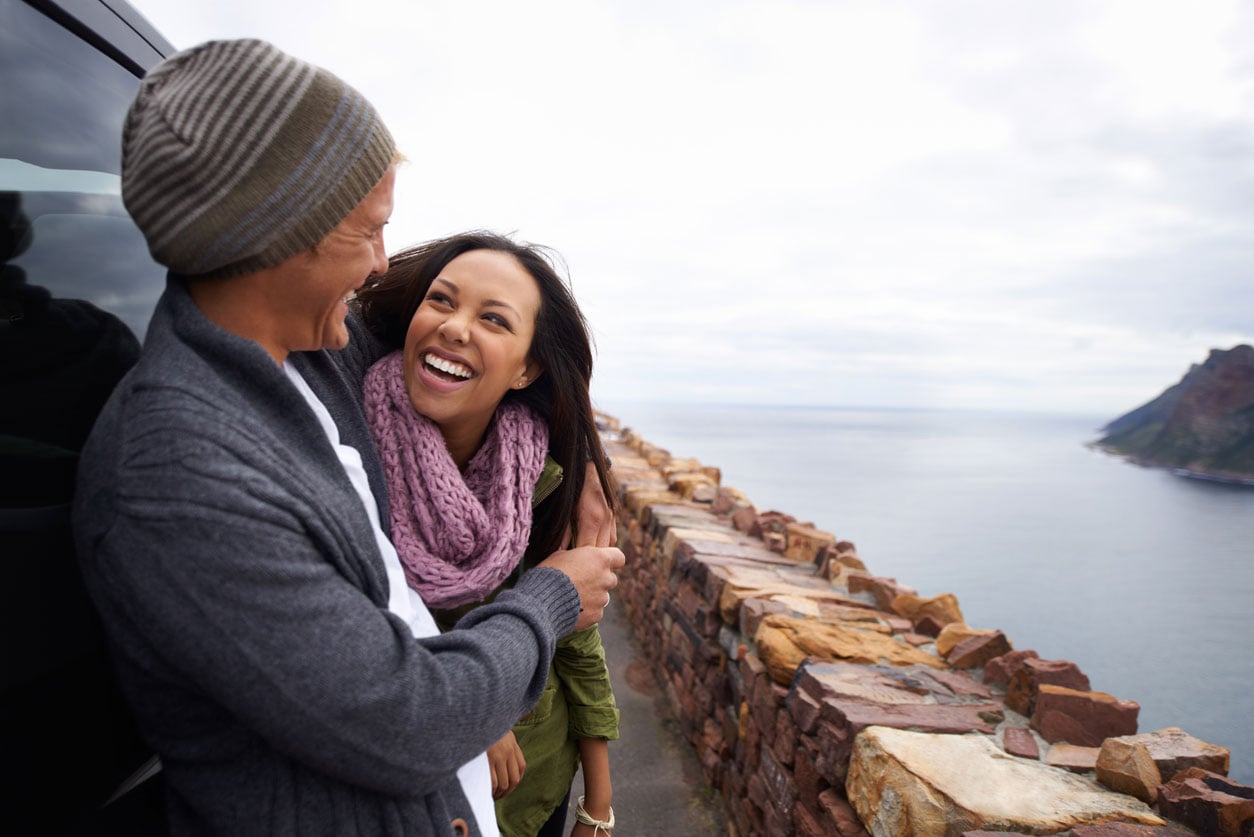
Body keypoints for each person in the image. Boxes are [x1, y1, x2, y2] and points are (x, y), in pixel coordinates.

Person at [71, 38, 623, 837]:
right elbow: (410, 723)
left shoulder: (321, 356)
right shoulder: (178, 475)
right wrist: (553, 598)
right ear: (282, 230)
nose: (378, 264)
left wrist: (586, 460)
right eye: (370, 231)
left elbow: (486, 364)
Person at [355, 233, 618, 837]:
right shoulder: (349, 458)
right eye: (441, 301)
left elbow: (578, 641)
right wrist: (485, 713)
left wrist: (598, 803)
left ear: (527, 367)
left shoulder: (542, 478)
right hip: (423, 799)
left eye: (493, 318)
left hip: (538, 791)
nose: (455, 326)